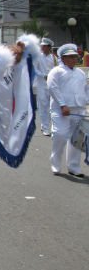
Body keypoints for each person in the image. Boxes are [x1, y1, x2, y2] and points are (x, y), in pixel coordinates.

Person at [47, 43, 87, 178]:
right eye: (70, 57)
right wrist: (62, 104)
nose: (73, 59)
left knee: (77, 139)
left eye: (74, 56)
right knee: (60, 134)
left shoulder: (80, 73)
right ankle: (55, 164)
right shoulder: (56, 71)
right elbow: (52, 88)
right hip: (61, 109)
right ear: (63, 58)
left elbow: (85, 90)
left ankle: (73, 167)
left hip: (78, 109)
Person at [35, 38, 58, 136]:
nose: (42, 47)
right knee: (43, 106)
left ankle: (50, 126)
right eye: (42, 46)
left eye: (44, 46)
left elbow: (57, 69)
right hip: (41, 84)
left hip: (52, 85)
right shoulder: (38, 57)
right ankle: (45, 128)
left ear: (49, 47)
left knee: (52, 106)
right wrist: (43, 75)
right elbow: (35, 70)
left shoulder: (54, 58)